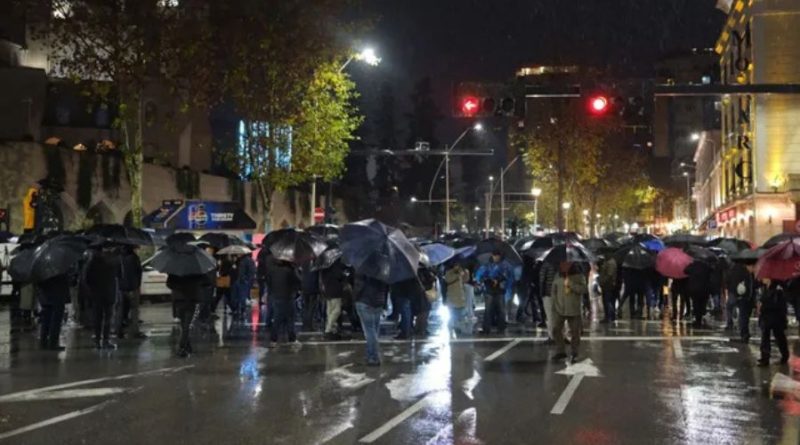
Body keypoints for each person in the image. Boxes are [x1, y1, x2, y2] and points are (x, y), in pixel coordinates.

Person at [167, 271, 213, 357]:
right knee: (187, 325)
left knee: (184, 324)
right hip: (192, 299)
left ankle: (187, 346)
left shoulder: (175, 269)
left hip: (179, 299)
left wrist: (179, 287)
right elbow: (207, 283)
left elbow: (169, 284)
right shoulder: (196, 269)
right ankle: (182, 346)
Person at [84, 244, 122, 349]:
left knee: (97, 317)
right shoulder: (114, 260)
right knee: (108, 318)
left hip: (97, 293)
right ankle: (105, 340)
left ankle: (97, 340)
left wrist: (90, 290)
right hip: (110, 292)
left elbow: (86, 278)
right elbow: (120, 276)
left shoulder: (93, 262)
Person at [551, 262, 587, 363]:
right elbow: (554, 291)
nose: (563, 266)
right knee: (556, 330)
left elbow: (583, 289)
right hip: (560, 309)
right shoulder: (557, 275)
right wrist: (555, 304)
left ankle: (574, 352)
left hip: (574, 309)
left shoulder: (579, 276)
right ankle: (560, 350)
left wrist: (570, 284)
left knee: (575, 332)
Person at [354, 272, 389, 366]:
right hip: (379, 302)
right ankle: (372, 354)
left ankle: (372, 357)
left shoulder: (363, 269)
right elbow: (386, 288)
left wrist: (355, 298)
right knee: (374, 330)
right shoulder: (385, 268)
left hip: (365, 301)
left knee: (369, 331)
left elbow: (359, 286)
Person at [476, 251, 513, 335]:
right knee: (488, 310)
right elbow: (480, 276)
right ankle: (486, 329)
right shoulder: (487, 265)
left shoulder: (505, 265)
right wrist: (488, 279)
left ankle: (501, 328)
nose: (496, 257)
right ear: (492, 256)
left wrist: (499, 280)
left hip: (500, 291)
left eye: (497, 256)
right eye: (495, 256)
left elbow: (508, 277)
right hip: (489, 290)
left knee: (501, 310)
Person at [266, 258, 300, 346]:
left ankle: (273, 339)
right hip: (288, 297)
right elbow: (298, 282)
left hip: (276, 297)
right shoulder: (289, 271)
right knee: (290, 318)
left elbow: (269, 283)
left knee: (277, 319)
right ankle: (292, 338)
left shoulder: (272, 271)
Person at [36, 271, 73, 350]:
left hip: (45, 297)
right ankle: (53, 343)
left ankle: (43, 341)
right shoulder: (59, 269)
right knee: (56, 321)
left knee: (46, 320)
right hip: (57, 297)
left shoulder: (43, 269)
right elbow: (66, 282)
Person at [757, 280, 789, 366]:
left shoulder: (778, 289)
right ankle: (765, 357)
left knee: (779, 336)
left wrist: (764, 306)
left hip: (776, 317)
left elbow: (778, 304)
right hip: (766, 317)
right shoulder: (764, 287)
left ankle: (785, 355)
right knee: (765, 337)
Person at [118, 245, 145, 339]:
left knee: (121, 310)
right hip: (133, 287)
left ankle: (119, 330)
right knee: (134, 310)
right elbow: (139, 271)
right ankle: (135, 331)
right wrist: (137, 284)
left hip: (121, 287)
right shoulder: (134, 258)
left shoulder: (118, 257)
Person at [727, 260, 756, 342]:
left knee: (744, 317)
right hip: (744, 298)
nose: (754, 269)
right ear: (749, 266)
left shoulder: (745, 273)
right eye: (753, 267)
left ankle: (744, 333)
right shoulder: (745, 274)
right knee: (743, 317)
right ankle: (744, 334)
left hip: (744, 298)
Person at [321, 260, 347, 340]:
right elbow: (340, 276)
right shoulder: (336, 267)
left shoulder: (323, 267)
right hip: (335, 291)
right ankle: (328, 329)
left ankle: (331, 329)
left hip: (327, 292)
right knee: (336, 310)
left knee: (330, 311)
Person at [685, 260, 712, 328]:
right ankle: (700, 317)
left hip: (694, 289)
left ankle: (698, 320)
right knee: (702, 304)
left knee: (696, 304)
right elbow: (711, 272)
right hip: (704, 289)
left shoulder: (692, 266)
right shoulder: (706, 266)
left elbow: (685, 271)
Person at [445, 262, 469, 336]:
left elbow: (465, 280)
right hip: (452, 297)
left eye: (458, 266)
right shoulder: (449, 273)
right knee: (452, 313)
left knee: (460, 314)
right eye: (456, 266)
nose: (457, 267)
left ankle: (457, 327)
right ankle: (450, 325)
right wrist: (458, 275)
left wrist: (466, 273)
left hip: (460, 297)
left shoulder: (461, 271)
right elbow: (448, 280)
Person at [233, 252, 256, 320]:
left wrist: (246, 279)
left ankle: (242, 310)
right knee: (237, 296)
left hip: (243, 281)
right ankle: (237, 310)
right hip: (238, 280)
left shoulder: (248, 260)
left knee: (242, 297)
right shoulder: (239, 260)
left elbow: (252, 271)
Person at [597, 254, 618, 323]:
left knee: (607, 301)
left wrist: (603, 281)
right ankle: (610, 316)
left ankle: (609, 316)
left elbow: (609, 275)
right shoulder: (607, 262)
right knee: (607, 301)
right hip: (606, 285)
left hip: (608, 285)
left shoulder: (610, 263)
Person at [300, 265, 321, 331]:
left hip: (305, 288)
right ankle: (309, 325)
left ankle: (305, 324)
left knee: (306, 307)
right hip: (313, 289)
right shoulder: (316, 266)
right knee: (311, 308)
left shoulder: (304, 266)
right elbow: (319, 279)